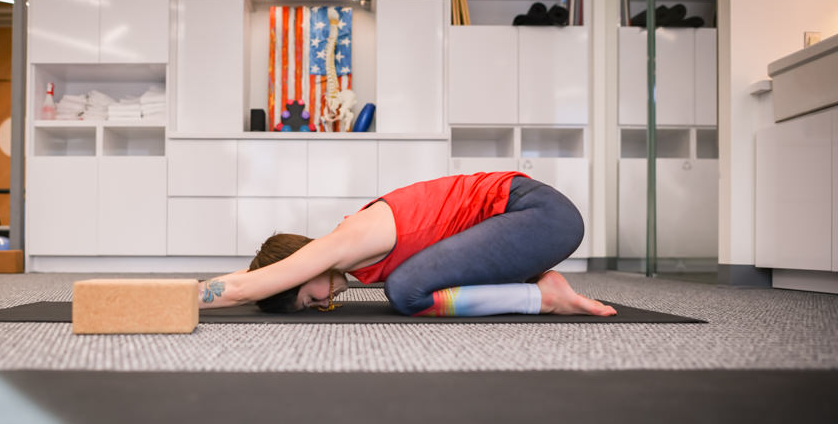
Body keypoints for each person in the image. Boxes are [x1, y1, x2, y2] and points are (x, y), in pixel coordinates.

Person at [197, 172, 616, 318]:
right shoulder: (340, 253)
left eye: (310, 299)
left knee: (405, 289)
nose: (324, 305)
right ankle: (538, 286)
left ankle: (541, 297)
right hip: (529, 223)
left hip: (540, 217)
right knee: (408, 283)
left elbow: (249, 288)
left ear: (304, 270)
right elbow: (255, 279)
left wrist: (172, 297)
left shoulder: (344, 244)